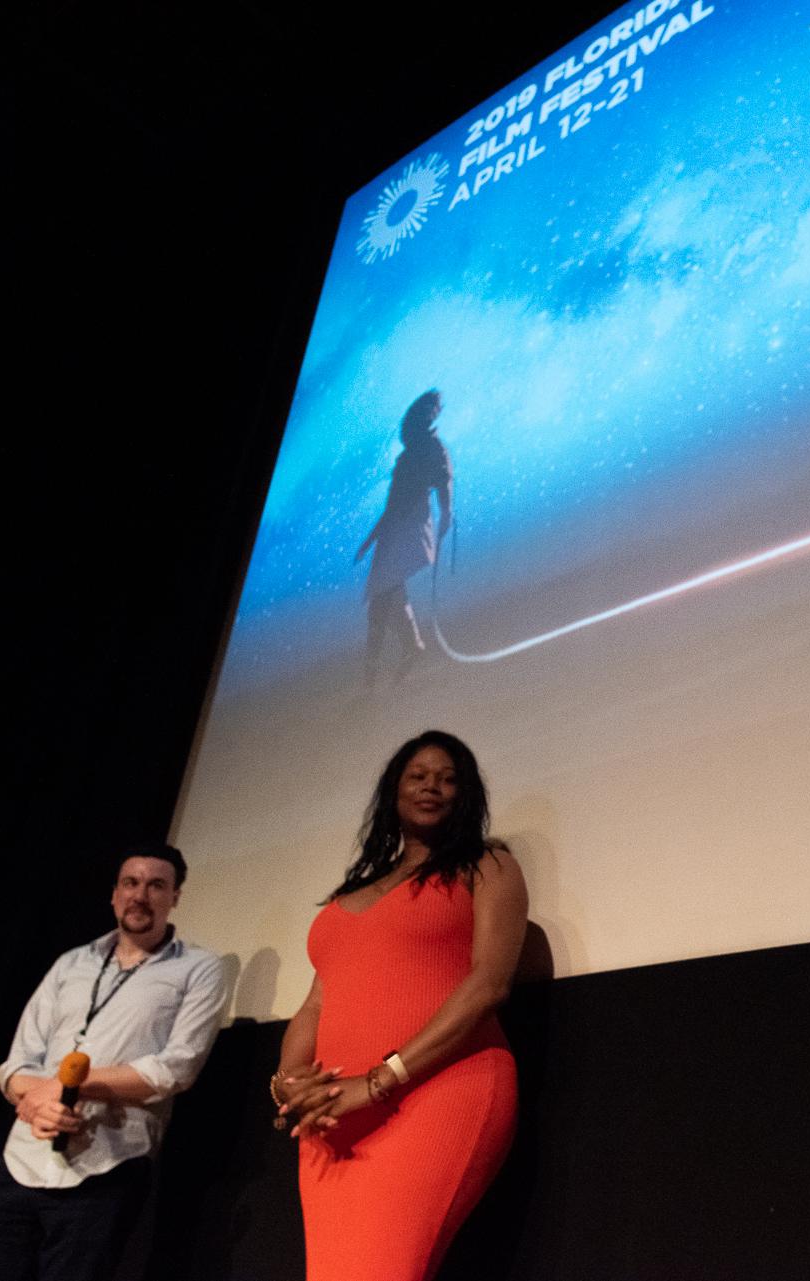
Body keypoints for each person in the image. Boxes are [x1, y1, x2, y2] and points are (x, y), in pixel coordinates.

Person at [276, 730, 525, 1281]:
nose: (432, 786)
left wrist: (378, 1081)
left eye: (448, 778)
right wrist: (292, 1088)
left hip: (436, 1092)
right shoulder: (351, 893)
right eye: (418, 775)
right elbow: (316, 1004)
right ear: (394, 790)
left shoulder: (487, 867)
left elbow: (488, 984)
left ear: (467, 796)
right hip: (333, 1114)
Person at [0, 842, 229, 1281]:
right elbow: (16, 1065)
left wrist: (65, 1086)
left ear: (175, 896)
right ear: (114, 893)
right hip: (21, 1159)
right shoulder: (71, 963)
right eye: (131, 883)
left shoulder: (198, 968)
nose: (140, 895)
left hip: (106, 1168)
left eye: (156, 885)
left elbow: (176, 1068)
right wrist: (36, 1098)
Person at [355, 390, 454, 684]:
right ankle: (408, 650)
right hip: (395, 532)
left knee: (383, 596)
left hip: (408, 529)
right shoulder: (409, 456)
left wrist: (446, 515)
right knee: (386, 596)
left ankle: (374, 674)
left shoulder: (431, 448)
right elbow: (392, 504)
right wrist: (371, 538)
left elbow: (443, 484)